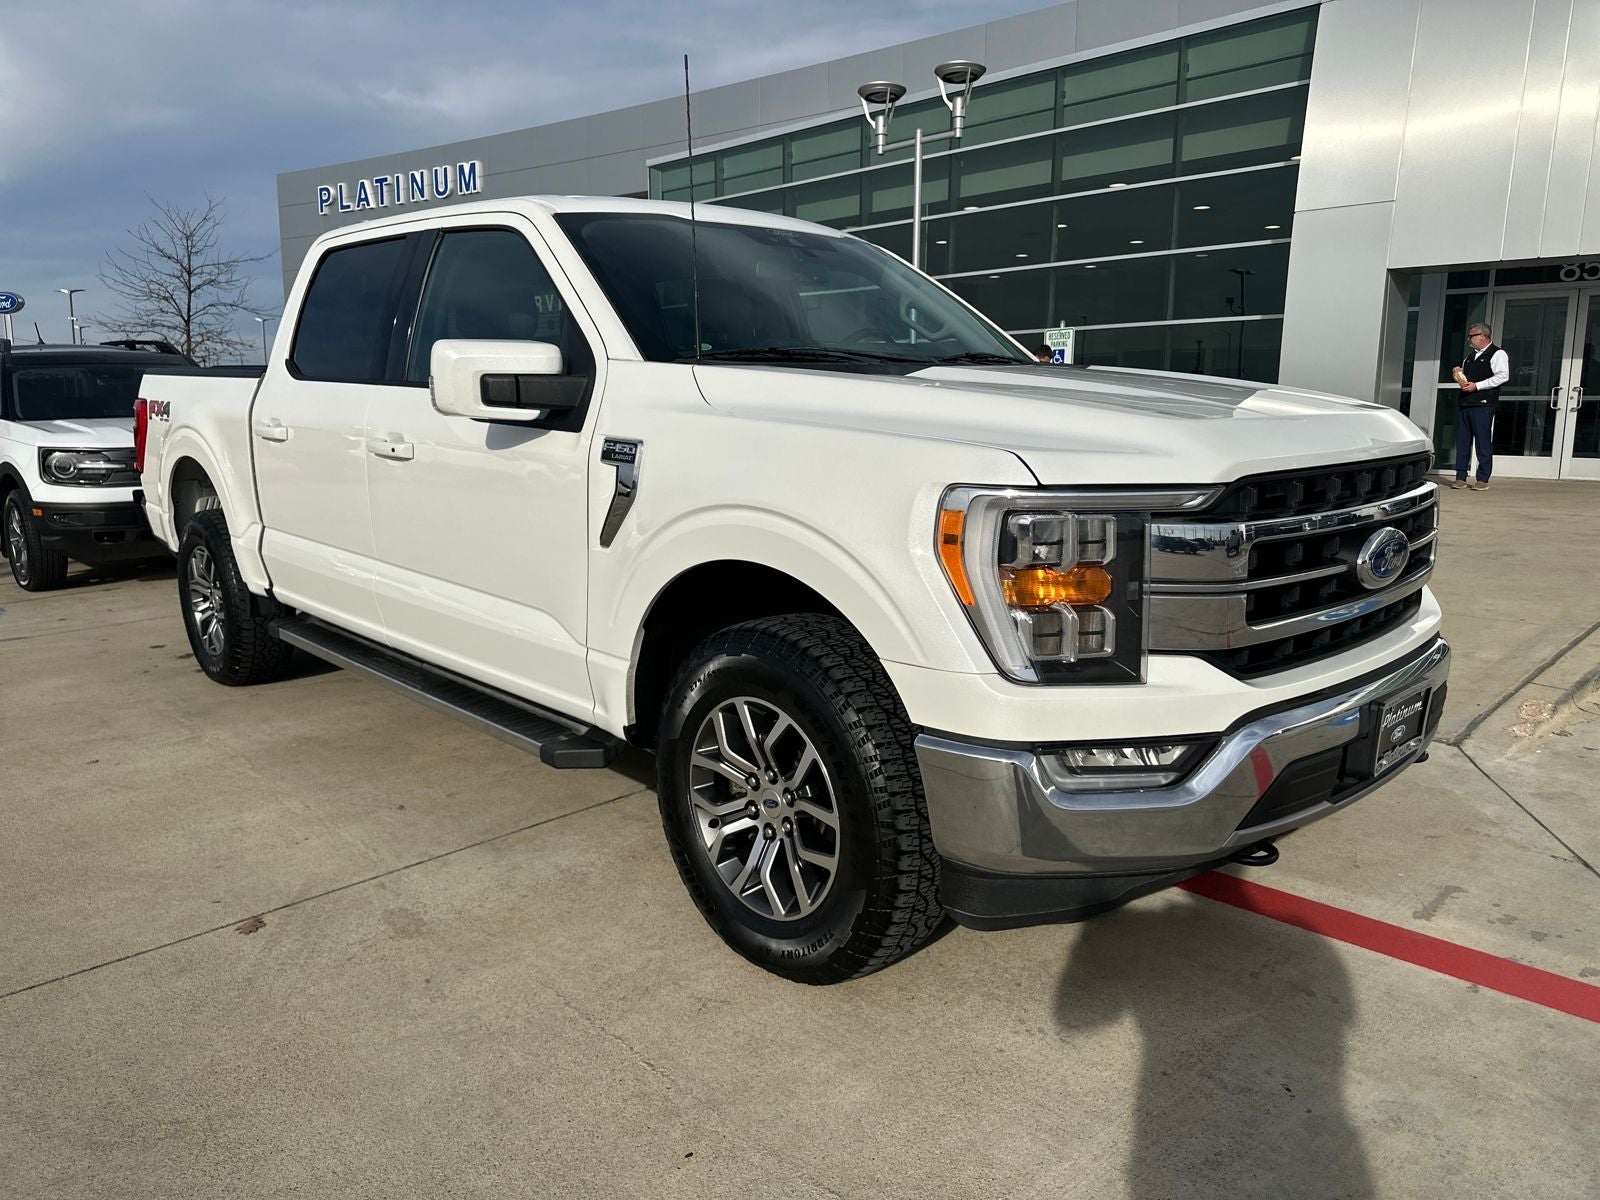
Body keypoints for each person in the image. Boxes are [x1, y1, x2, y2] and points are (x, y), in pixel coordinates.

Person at [1451, 321, 1508, 490]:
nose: (1469, 339)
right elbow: (1466, 381)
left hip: (1483, 404)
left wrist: (1478, 386)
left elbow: (1503, 376)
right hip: (1465, 403)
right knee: (1463, 442)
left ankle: (1482, 479)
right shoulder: (1469, 357)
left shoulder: (1497, 354)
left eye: (1472, 336)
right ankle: (1460, 477)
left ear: (1483, 336)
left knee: (1483, 442)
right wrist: (1459, 375)